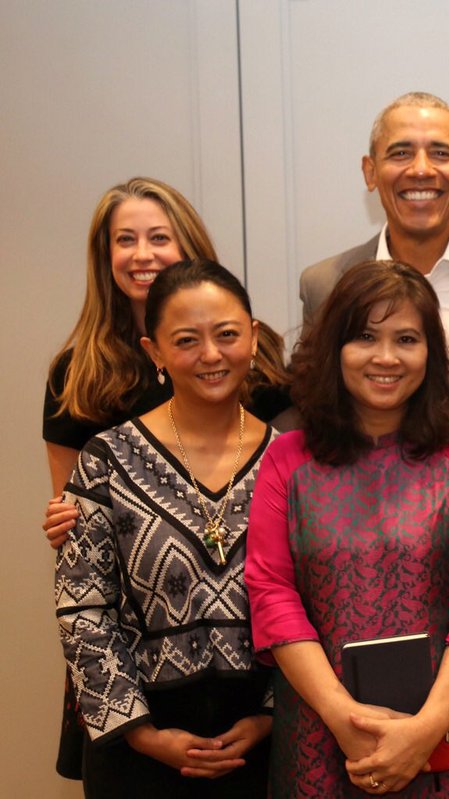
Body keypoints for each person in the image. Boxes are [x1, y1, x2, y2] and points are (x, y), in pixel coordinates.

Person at [41, 177, 290, 780]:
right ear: (158, 351)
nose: (210, 353)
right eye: (125, 240)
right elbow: (83, 602)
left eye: (227, 335)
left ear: (252, 337)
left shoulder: (289, 457)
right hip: (138, 740)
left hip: (268, 735)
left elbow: (311, 596)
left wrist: (270, 717)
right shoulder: (96, 430)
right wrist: (142, 734)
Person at [247, 260, 449, 796]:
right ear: (334, 348)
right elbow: (272, 595)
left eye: (406, 338)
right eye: (365, 336)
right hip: (322, 731)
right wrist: (342, 716)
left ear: (430, 352)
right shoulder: (286, 459)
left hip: (442, 730)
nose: (385, 357)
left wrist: (428, 727)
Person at [299, 91, 449, 449]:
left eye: (440, 153)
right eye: (401, 153)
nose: (421, 170)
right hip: (362, 499)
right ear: (370, 172)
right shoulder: (324, 284)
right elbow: (314, 408)